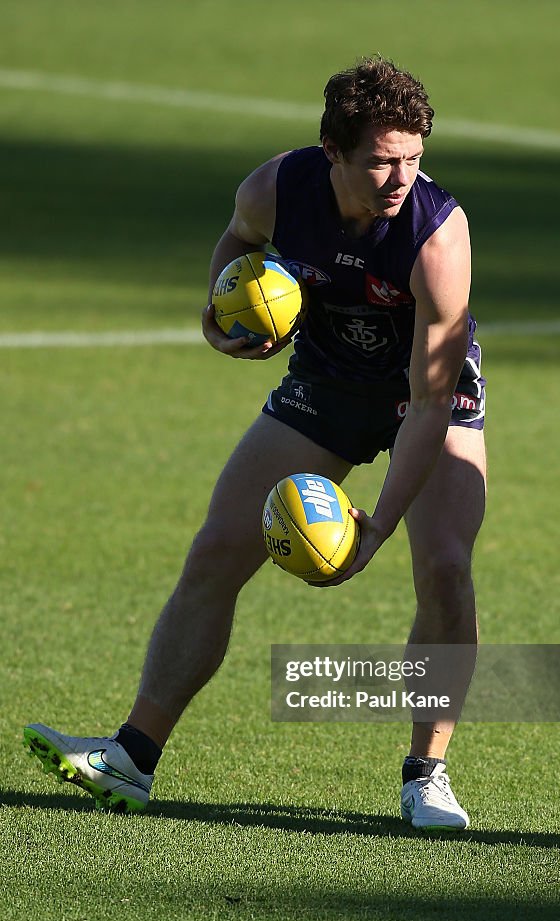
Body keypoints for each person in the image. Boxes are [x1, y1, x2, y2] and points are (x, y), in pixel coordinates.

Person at [24, 56, 487, 831]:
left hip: (424, 397)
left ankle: (425, 776)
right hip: (327, 383)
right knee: (216, 550)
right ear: (332, 152)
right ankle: (131, 758)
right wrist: (219, 315)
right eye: (380, 159)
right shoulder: (276, 188)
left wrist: (377, 524)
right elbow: (238, 239)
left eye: (412, 157)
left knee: (443, 567)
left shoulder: (437, 239)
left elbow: (432, 401)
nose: (399, 176)